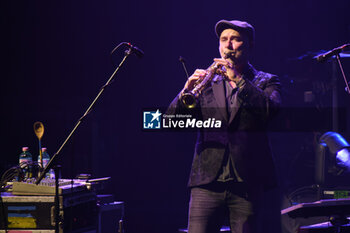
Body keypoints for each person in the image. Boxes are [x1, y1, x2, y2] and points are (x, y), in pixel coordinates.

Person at [168, 19, 282, 233]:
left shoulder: (266, 80)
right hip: (206, 183)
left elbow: (271, 112)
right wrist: (185, 92)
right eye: (224, 40)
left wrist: (239, 80)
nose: (228, 45)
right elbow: (171, 122)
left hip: (247, 182)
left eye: (235, 39)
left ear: (249, 45)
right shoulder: (207, 81)